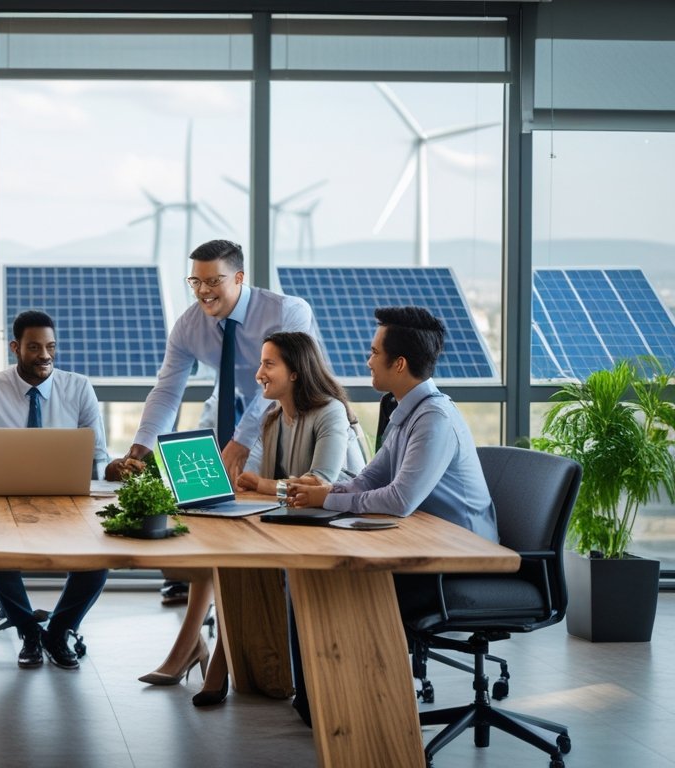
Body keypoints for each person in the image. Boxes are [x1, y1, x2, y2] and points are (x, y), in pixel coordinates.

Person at [285, 305, 497, 726]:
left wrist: (327, 501)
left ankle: (358, 714)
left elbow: (399, 499)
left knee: (337, 585)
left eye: (373, 352)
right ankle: (319, 705)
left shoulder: (433, 418)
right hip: (422, 544)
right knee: (308, 574)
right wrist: (324, 492)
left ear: (398, 363)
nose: (367, 360)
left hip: (455, 563)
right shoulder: (405, 412)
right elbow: (368, 480)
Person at [139, 331, 366, 705]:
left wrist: (265, 485)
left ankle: (217, 668)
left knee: (240, 557)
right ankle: (221, 665)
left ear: (295, 372)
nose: (258, 372)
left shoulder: (330, 412)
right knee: (230, 556)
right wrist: (256, 485)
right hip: (295, 521)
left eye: (268, 364)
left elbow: (318, 483)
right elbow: (251, 483)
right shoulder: (275, 419)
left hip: (338, 525)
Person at [103, 240, 320, 622]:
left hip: (290, 410)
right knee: (194, 486)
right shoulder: (189, 326)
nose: (203, 291)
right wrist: (140, 446)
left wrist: (241, 439)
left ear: (238, 278)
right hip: (229, 402)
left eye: (213, 281)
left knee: (251, 497)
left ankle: (260, 596)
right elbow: (168, 389)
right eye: (195, 281)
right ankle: (195, 576)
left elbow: (280, 386)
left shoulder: (287, 311)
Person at [0, 310, 111, 670]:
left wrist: (108, 474)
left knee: (99, 561)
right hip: (5, 502)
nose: (45, 355)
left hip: (68, 501)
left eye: (51, 346)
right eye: (35, 347)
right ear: (15, 347)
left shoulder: (78, 387)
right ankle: (28, 631)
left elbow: (98, 454)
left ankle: (58, 632)